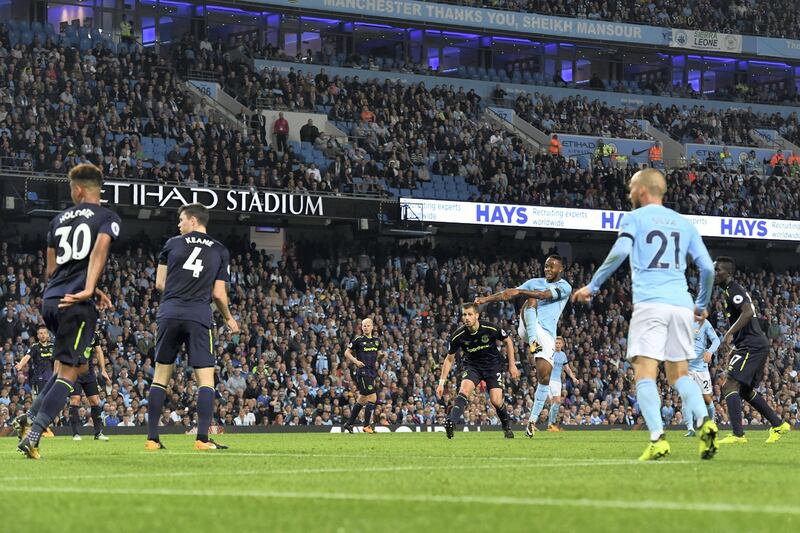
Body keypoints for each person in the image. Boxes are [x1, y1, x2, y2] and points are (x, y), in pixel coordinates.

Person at [572, 168, 718, 461]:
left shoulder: (635, 218)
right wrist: (700, 304)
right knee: (679, 375)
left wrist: (594, 285)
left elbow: (619, 252)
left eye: (630, 188)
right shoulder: (683, 223)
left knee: (645, 374)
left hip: (651, 304)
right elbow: (708, 268)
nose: (628, 193)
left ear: (641, 191)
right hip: (682, 305)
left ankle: (657, 438)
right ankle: (705, 421)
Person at [17, 163, 120, 460]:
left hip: (51, 300)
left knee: (62, 369)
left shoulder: (58, 220)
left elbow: (52, 269)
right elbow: (100, 249)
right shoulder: (106, 217)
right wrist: (90, 287)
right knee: (72, 372)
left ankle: (26, 419)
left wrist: (86, 286)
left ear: (77, 189)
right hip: (76, 303)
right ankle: (34, 434)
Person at [145, 203, 239, 451]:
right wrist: (229, 318)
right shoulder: (220, 250)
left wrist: (179, 290)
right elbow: (219, 294)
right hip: (199, 315)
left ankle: (152, 440)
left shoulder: (172, 244)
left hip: (169, 313)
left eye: (181, 220)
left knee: (160, 377)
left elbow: (159, 284)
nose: (179, 225)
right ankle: (201, 439)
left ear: (194, 221)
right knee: (205, 380)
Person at [475, 255, 572, 438]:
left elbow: (544, 295)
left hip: (547, 335)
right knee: (531, 300)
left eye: (552, 267)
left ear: (561, 269)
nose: (548, 269)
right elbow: (508, 293)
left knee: (544, 377)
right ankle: (533, 344)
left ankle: (532, 422)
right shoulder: (534, 282)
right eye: (546, 266)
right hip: (528, 328)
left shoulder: (565, 287)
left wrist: (519, 292)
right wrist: (486, 299)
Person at [713, 257, 791, 444]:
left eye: (718, 270)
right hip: (750, 344)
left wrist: (729, 334)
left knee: (729, 386)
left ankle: (738, 435)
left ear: (728, 273)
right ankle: (778, 424)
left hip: (752, 345)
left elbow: (747, 312)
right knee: (745, 391)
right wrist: (735, 345)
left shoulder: (734, 290)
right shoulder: (728, 291)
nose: (714, 273)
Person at [436, 303, 519, 439]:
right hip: (472, 366)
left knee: (496, 401)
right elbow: (449, 359)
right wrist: (441, 383)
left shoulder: (490, 328)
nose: (467, 318)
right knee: (464, 391)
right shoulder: (459, 335)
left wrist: (512, 365)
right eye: (464, 315)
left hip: (492, 366)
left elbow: (508, 341)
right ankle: (451, 422)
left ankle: (506, 426)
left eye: (470, 314)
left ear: (477, 316)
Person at [13, 325, 55, 439]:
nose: (42, 335)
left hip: (52, 379)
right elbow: (27, 357)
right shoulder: (35, 347)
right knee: (41, 403)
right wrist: (21, 365)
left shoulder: (53, 347)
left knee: (50, 404)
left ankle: (26, 424)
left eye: (44, 333)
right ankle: (42, 428)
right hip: (39, 379)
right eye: (40, 333)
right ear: (37, 336)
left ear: (48, 335)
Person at [69, 329, 111, 441]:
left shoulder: (94, 334)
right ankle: (75, 433)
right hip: (74, 372)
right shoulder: (72, 332)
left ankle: (98, 433)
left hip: (89, 373)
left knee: (95, 401)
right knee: (75, 400)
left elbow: (99, 351)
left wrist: (103, 370)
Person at [342, 317, 381, 434]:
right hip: (363, 372)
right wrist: (356, 361)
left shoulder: (377, 341)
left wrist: (381, 357)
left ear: (372, 327)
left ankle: (349, 424)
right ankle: (367, 425)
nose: (366, 327)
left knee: (362, 399)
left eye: (368, 325)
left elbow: (375, 354)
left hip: (372, 372)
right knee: (373, 398)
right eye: (364, 325)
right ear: (362, 327)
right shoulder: (358, 340)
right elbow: (346, 353)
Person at [684, 318, 719, 437]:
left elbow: (716, 340)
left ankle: (711, 423)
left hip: (701, 368)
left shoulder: (703, 323)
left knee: (707, 399)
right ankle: (690, 428)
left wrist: (709, 352)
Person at [546, 337, 577, 432]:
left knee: (556, 403)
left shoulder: (563, 355)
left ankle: (551, 425)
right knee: (554, 402)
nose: (558, 344)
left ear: (562, 344)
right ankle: (550, 424)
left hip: (558, 381)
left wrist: (573, 377)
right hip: (549, 380)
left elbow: (567, 368)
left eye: (559, 343)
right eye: (556, 343)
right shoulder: (550, 353)